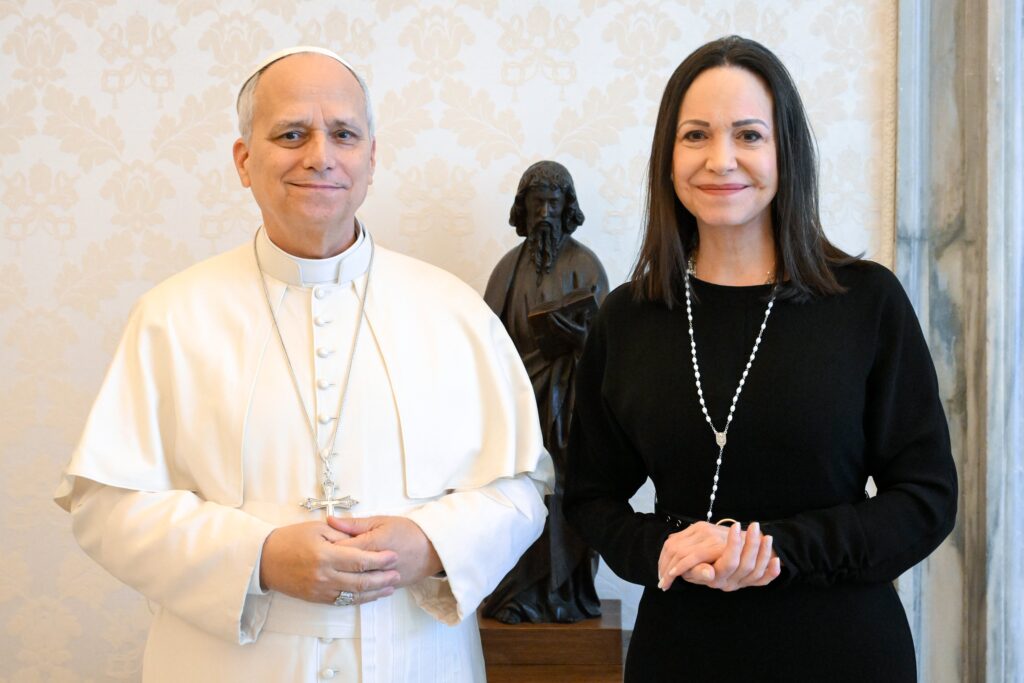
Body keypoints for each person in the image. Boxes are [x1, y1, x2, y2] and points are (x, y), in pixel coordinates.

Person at [54, 46, 553, 683]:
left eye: (344, 134)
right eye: (292, 134)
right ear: (244, 160)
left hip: (415, 659)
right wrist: (258, 556)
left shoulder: (453, 310)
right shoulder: (171, 316)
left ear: (371, 158)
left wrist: (431, 544)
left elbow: (522, 487)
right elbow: (106, 505)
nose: (320, 155)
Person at [564, 35, 957, 682]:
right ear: (668, 156)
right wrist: (667, 547)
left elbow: (926, 499)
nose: (721, 160)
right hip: (681, 653)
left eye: (749, 135)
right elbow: (588, 496)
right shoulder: (629, 317)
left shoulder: (866, 301)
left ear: (785, 151)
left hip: (843, 652)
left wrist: (773, 548)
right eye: (696, 135)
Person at [481, 161, 608, 624]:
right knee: (518, 493)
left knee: (566, 495)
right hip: (517, 404)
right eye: (537, 204)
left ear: (567, 207)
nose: (545, 214)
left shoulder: (586, 265)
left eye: (554, 204)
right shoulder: (507, 269)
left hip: (570, 407)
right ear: (524, 207)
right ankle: (517, 596)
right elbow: (485, 340)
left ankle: (566, 594)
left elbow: (608, 347)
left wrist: (578, 340)